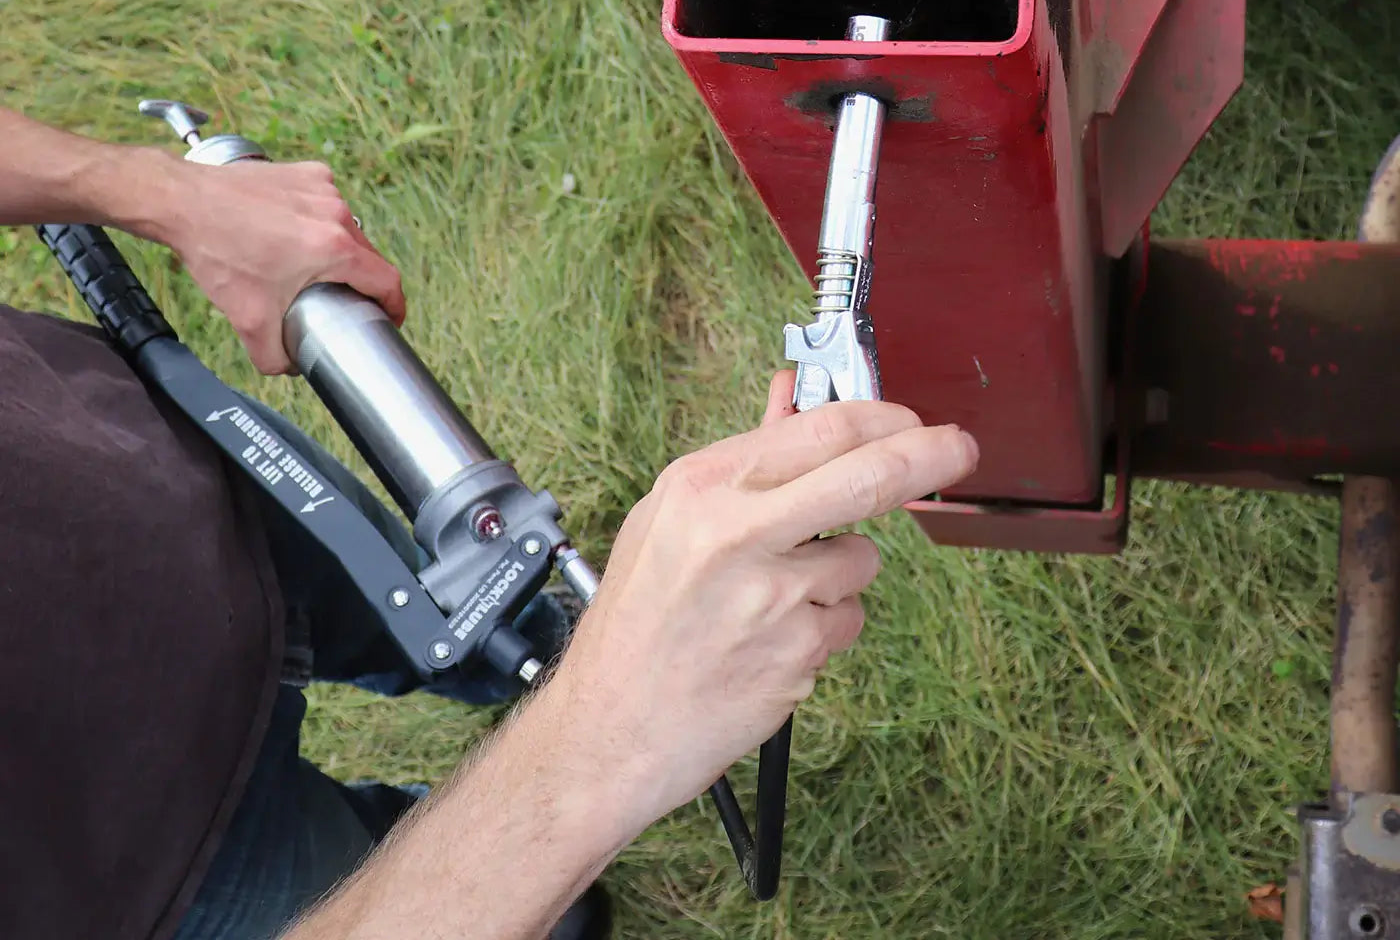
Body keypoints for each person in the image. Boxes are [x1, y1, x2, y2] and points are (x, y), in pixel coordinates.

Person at [0, 101, 978, 939]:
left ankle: (531, 673)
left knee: (494, 638)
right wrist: (594, 745)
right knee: (366, 870)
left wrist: (157, 191)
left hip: (146, 483)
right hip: (140, 868)